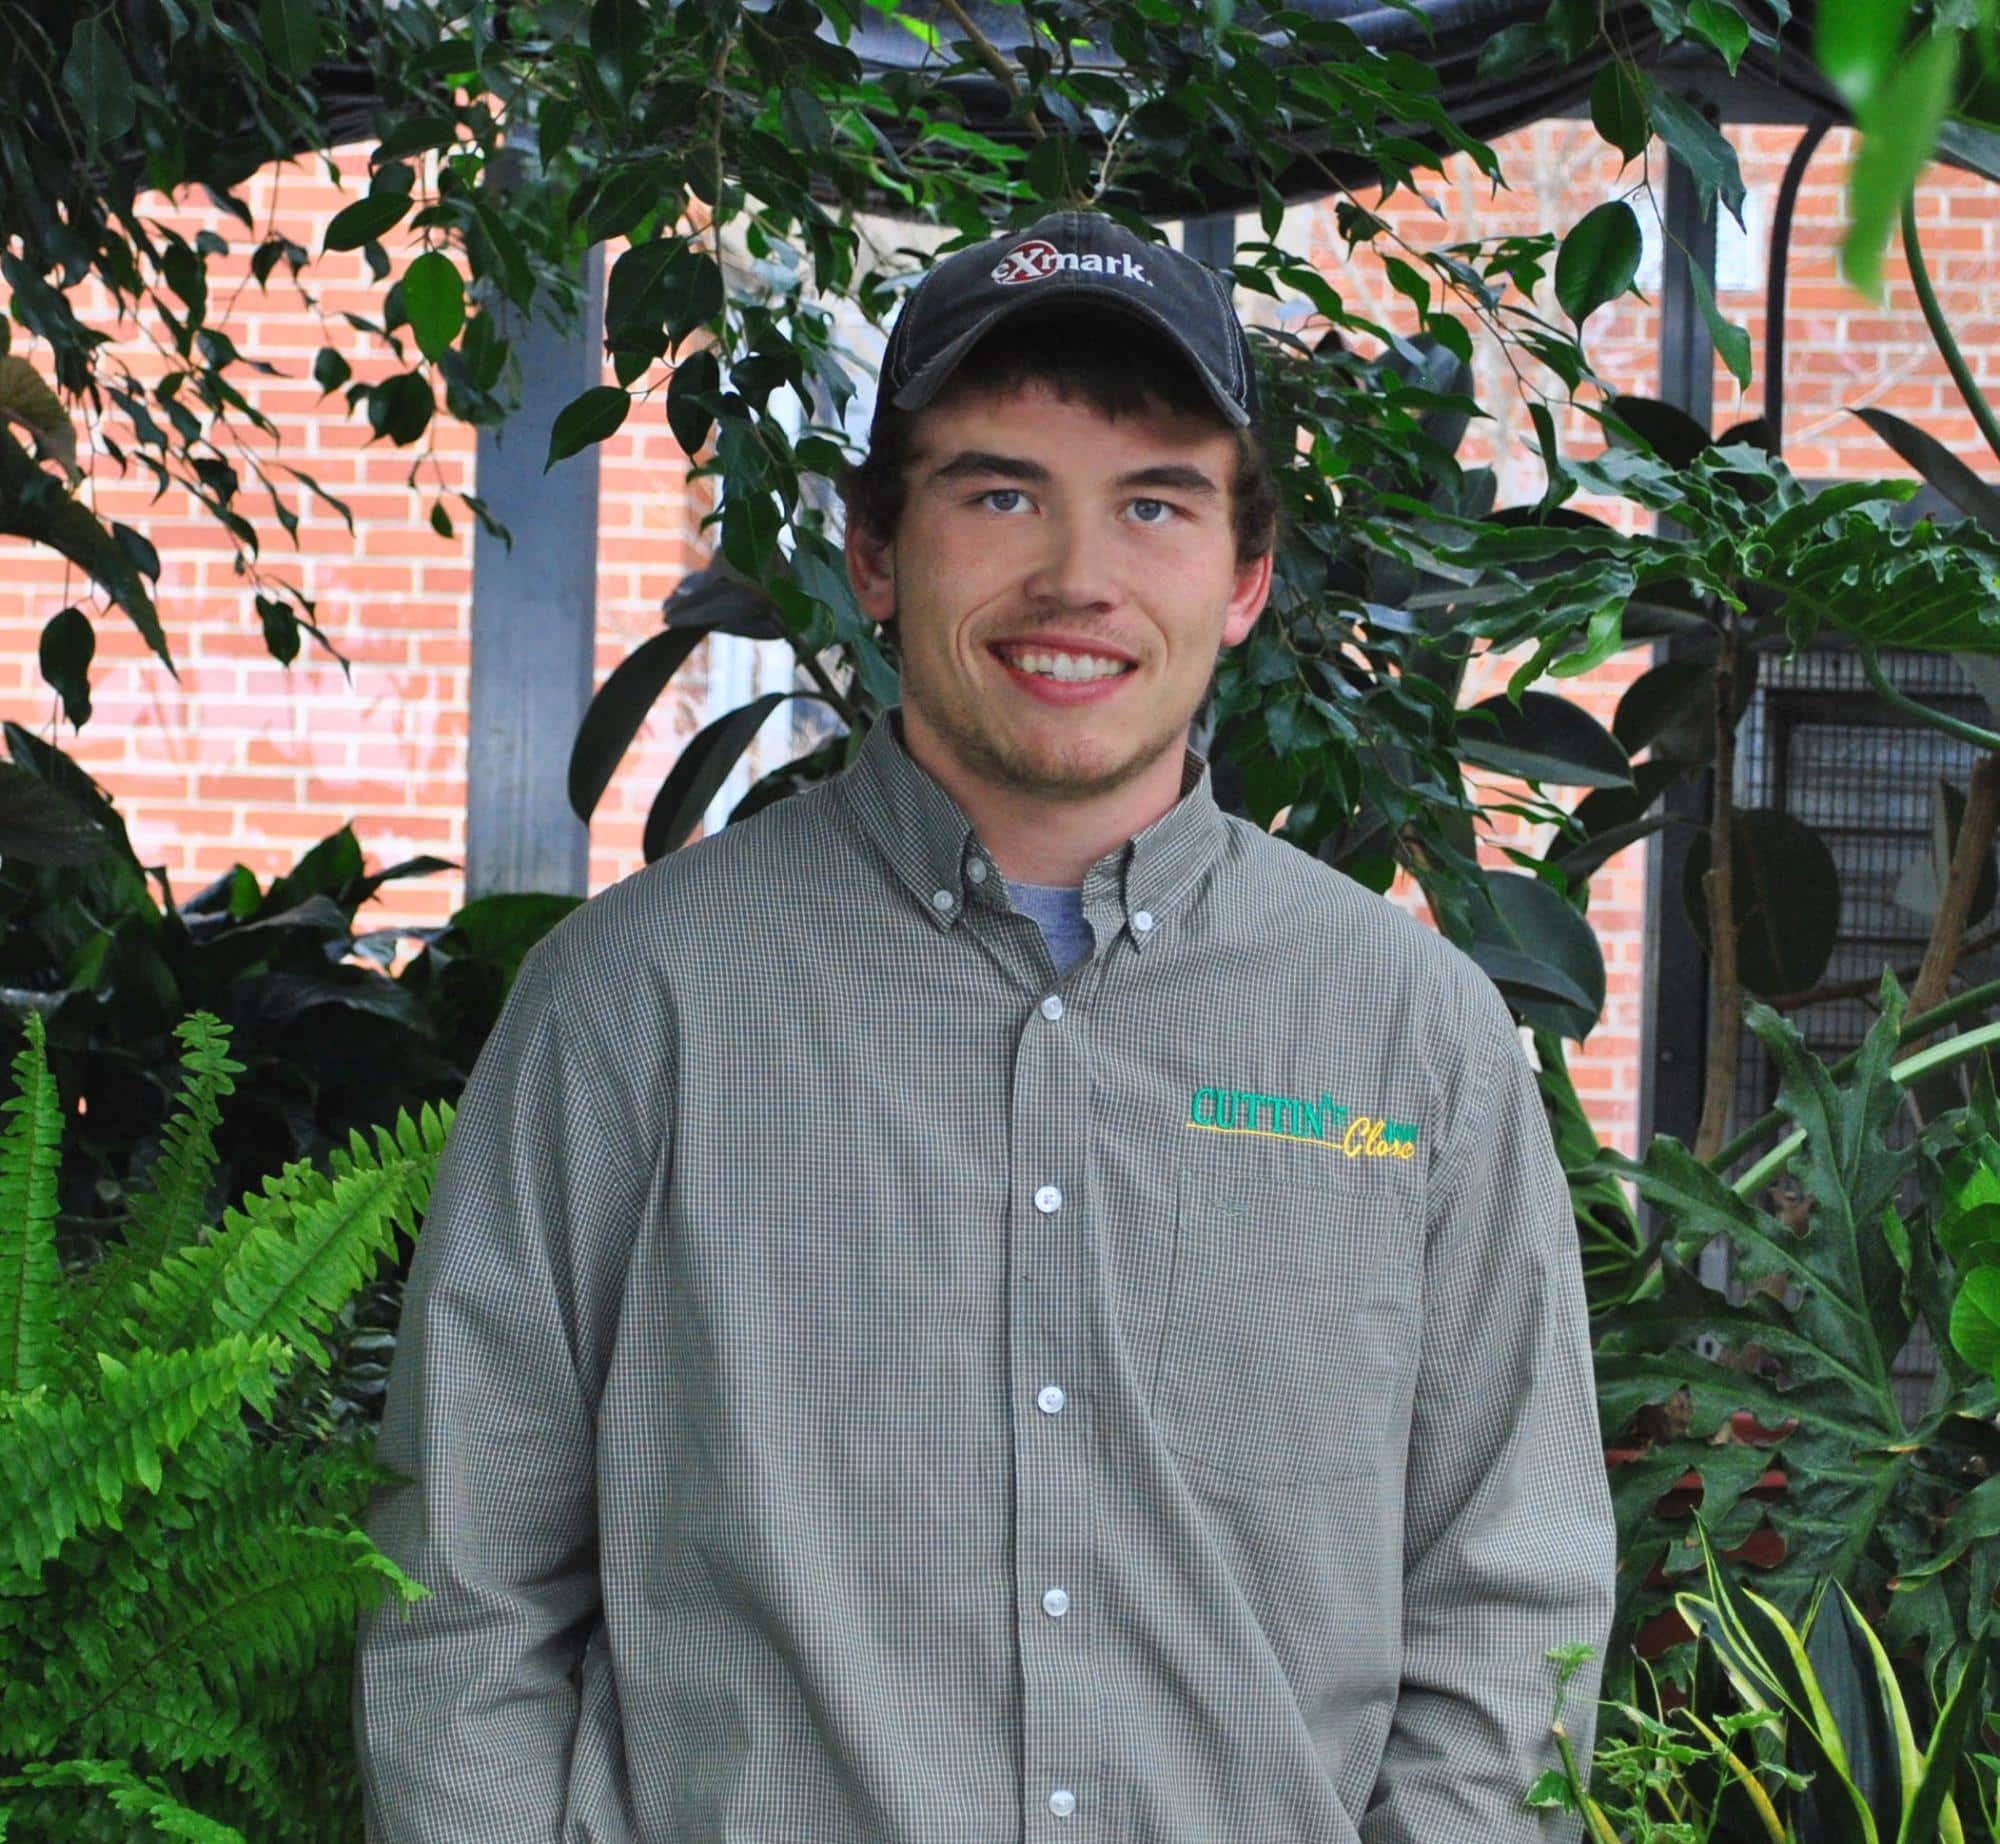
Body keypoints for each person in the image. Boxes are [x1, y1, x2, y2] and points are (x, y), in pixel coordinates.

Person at [353, 205, 1616, 1843]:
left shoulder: (1412, 1049)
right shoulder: (631, 1007)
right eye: (1000, 493)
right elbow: (465, 1593)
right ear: (876, 553)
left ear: (1245, 580)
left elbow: (1509, 1612)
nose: (1076, 578)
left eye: (1154, 502)